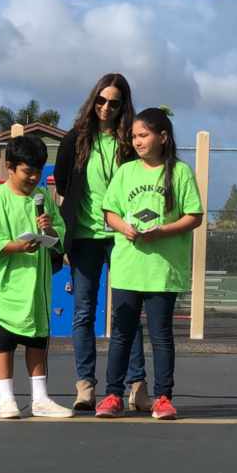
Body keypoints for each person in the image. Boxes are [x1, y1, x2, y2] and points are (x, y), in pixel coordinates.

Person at [95, 106, 204, 419]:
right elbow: (110, 212)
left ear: (163, 137)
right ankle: (113, 395)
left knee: (161, 335)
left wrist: (162, 232)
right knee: (121, 334)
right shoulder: (125, 171)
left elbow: (194, 216)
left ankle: (163, 398)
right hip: (128, 268)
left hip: (162, 271)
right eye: (134, 136)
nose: (137, 141)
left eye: (143, 135)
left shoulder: (180, 173)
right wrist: (124, 227)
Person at [53, 73, 148, 412]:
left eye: (114, 103)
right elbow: (62, 185)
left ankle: (137, 386)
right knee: (83, 312)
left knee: (128, 312)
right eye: (101, 100)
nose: (106, 107)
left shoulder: (130, 142)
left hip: (122, 237)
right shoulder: (75, 139)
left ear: (124, 106)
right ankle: (86, 386)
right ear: (93, 99)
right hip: (84, 238)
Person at [0, 136, 73, 419]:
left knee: (37, 340)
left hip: (36, 288)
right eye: (27, 171)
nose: (33, 177)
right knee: (3, 344)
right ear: (9, 167)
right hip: (4, 288)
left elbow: (59, 237)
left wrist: (49, 230)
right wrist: (19, 246)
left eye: (38, 172)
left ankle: (40, 399)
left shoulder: (44, 200)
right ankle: (6, 400)